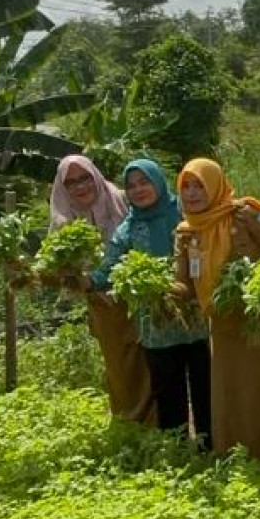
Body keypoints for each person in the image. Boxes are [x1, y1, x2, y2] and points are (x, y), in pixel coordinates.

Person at [175, 156, 260, 473]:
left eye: (199, 186)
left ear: (216, 185)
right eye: (186, 187)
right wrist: (158, 291)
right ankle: (243, 463)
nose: (192, 194)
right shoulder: (186, 233)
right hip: (224, 330)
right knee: (235, 397)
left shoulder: (246, 214)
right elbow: (184, 286)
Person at [91, 158, 211, 443]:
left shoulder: (185, 214)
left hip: (194, 317)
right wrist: (78, 279)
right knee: (167, 390)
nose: (138, 190)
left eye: (144, 182)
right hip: (155, 324)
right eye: (131, 186)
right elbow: (107, 270)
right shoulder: (128, 230)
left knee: (205, 385)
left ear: (158, 181)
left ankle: (212, 445)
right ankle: (178, 448)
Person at [49, 152, 153, 425]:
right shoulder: (62, 219)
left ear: (95, 175)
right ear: (63, 187)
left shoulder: (119, 199)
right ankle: (128, 421)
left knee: (148, 358)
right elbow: (58, 269)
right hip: (101, 303)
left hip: (139, 294)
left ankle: (159, 421)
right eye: (71, 183)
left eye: (85, 178)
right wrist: (88, 287)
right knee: (118, 363)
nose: (80, 186)